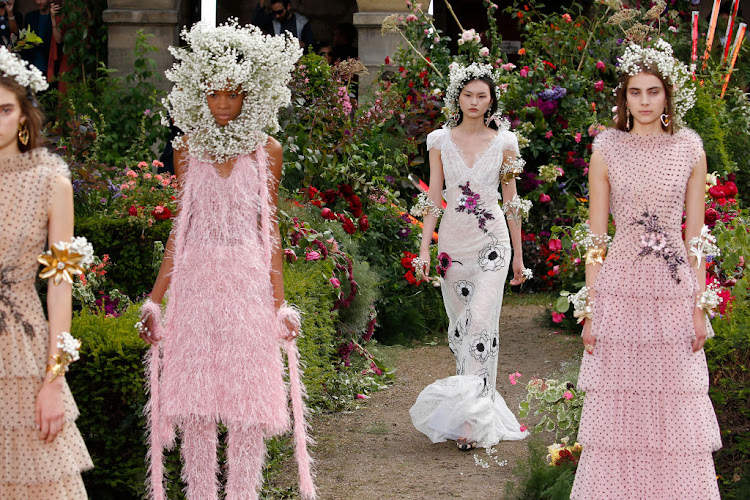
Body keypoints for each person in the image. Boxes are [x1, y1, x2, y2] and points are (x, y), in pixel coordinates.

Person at [137, 21, 315, 500]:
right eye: (213, 93)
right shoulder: (185, 149)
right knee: (195, 401)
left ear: (249, 95)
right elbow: (181, 228)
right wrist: (155, 301)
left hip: (246, 282)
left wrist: (279, 304)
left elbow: (270, 230)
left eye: (232, 95)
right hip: (194, 282)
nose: (221, 104)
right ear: (200, 92)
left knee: (246, 402)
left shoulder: (268, 152)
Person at [571, 38, 721, 498]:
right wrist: (589, 306)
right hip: (618, 286)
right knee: (620, 408)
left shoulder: (690, 148)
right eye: (635, 92)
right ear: (624, 97)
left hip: (673, 286)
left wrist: (700, 307)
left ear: (667, 95)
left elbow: (695, 237)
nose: (644, 101)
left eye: (652, 91)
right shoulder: (607, 148)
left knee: (674, 403)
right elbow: (597, 236)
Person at [409, 63, 530, 450]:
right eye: (468, 95)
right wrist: (424, 248)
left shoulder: (506, 143)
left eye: (482, 95)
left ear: (491, 99)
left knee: (480, 324)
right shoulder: (438, 140)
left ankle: (471, 423)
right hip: (453, 246)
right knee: (463, 328)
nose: (475, 102)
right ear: (456, 98)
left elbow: (512, 203)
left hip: (493, 242)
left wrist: (519, 258)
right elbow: (433, 199)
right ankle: (469, 408)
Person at [0, 46, 92, 498]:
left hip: (22, 347)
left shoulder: (52, 181)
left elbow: (61, 284)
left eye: (4, 108)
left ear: (23, 116)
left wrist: (54, 382)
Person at [22, 0, 62, 76]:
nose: (38, 2)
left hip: (51, 65)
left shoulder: (56, 17)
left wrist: (40, 44)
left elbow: (58, 42)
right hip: (32, 65)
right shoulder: (30, 17)